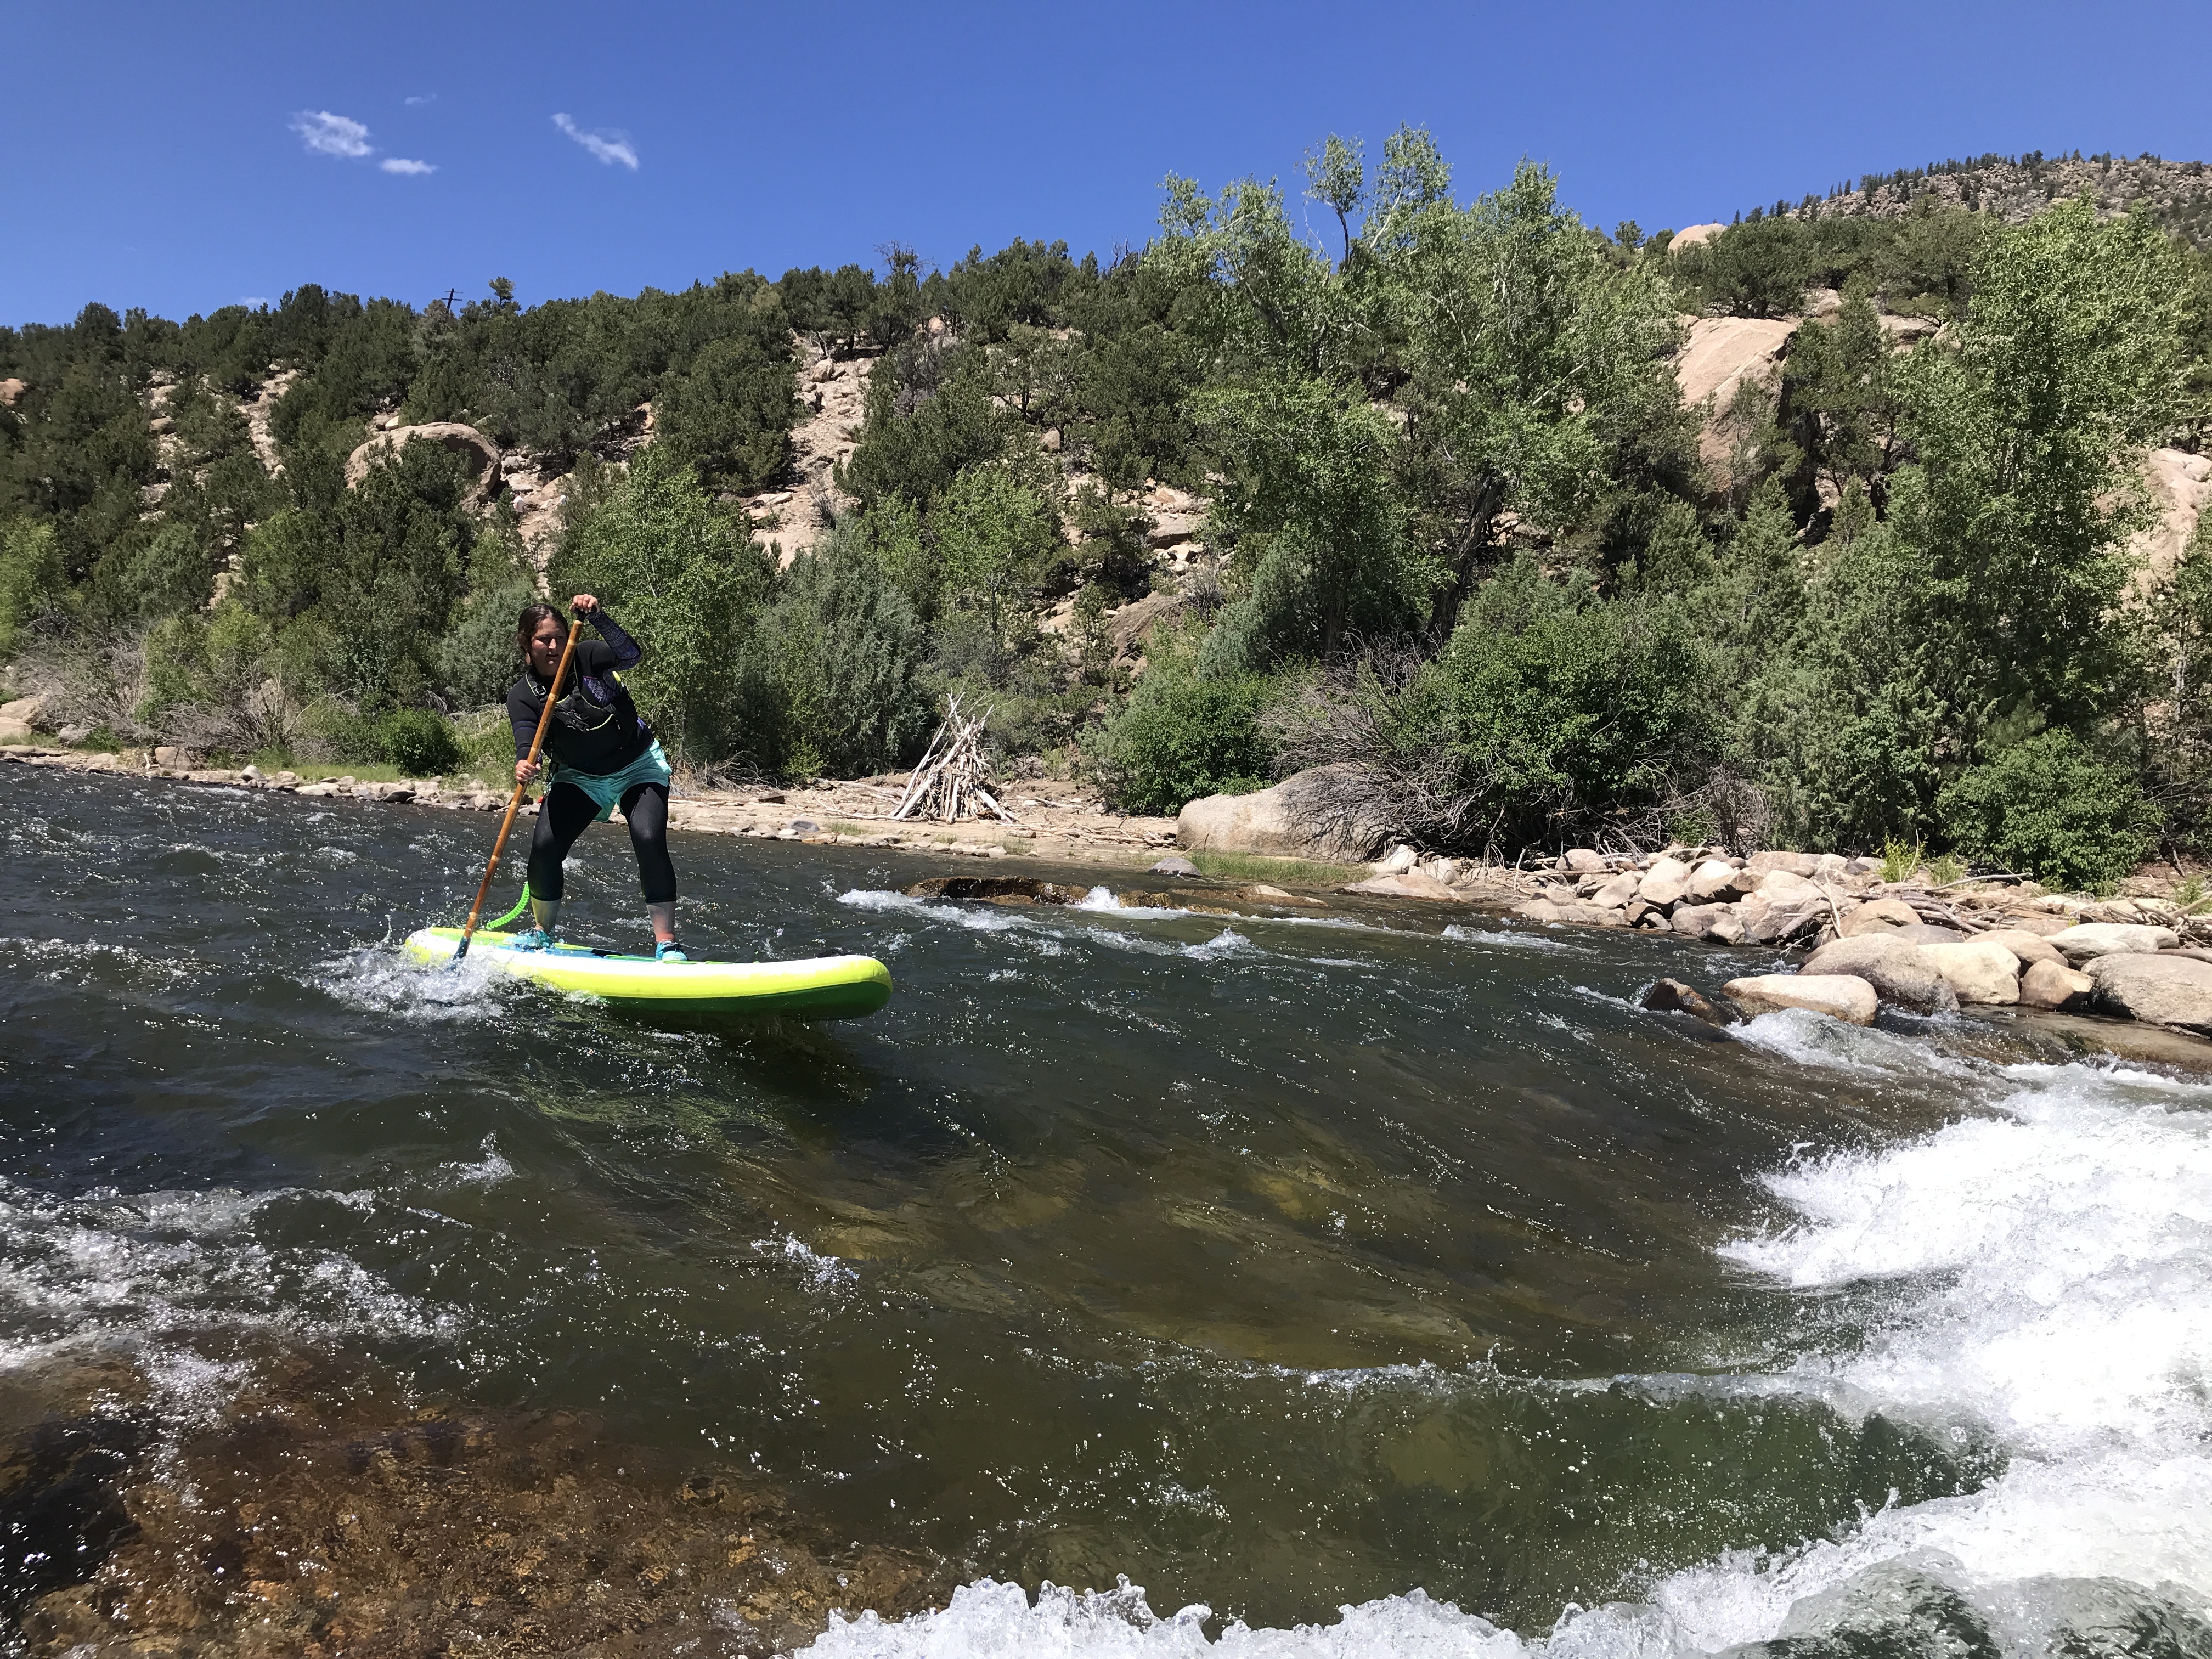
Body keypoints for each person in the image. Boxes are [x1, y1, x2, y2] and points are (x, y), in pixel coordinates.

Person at [505, 594, 687, 961]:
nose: (554, 646)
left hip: (637, 765)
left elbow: (631, 656)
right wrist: (526, 763)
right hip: (580, 777)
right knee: (544, 848)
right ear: (527, 644)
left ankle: (667, 942)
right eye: (544, 640)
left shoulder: (586, 657)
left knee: (648, 837)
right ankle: (543, 935)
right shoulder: (522, 695)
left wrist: (600, 618)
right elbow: (527, 740)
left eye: (558, 636)